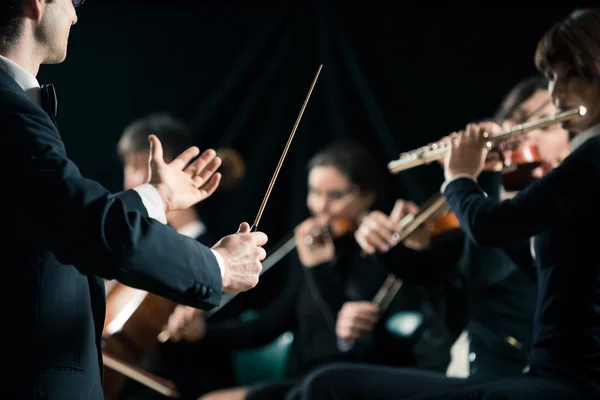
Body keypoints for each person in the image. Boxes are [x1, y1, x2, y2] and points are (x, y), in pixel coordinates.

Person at [296, 7, 599, 400]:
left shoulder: (586, 162)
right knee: (322, 385)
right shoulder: (523, 189)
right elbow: (499, 252)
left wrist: (458, 176)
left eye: (566, 77)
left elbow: (492, 227)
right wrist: (396, 242)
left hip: (552, 377)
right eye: (552, 79)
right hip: (515, 370)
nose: (557, 96)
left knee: (329, 387)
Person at [0, 1, 268, 398]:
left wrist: (158, 196)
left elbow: (60, 219)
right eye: (72, 1)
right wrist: (217, 265)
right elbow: (86, 226)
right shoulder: (10, 110)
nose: (76, 15)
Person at [163, 140, 440, 400]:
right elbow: (265, 327)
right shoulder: (320, 252)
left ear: (367, 197)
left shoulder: (381, 259)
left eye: (335, 195)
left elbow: (359, 346)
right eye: (315, 193)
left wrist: (319, 269)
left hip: (345, 386)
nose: (321, 207)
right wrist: (202, 333)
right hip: (301, 381)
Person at [112, 113, 246, 399]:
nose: (132, 182)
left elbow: (235, 322)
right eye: (129, 167)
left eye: (141, 167)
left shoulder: (214, 250)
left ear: (177, 171)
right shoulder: (130, 248)